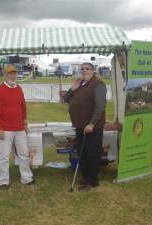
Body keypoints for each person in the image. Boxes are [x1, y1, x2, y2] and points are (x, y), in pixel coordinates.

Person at [0, 64, 35, 190]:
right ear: (5, 75)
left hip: (20, 129)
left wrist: (25, 123)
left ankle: (26, 178)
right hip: (5, 129)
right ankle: (3, 181)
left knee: (23, 155)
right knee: (4, 157)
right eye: (10, 73)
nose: (12, 75)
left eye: (14, 73)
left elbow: (23, 107)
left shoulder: (19, 89)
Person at [64, 62, 107, 191]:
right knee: (82, 153)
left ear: (93, 71)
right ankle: (86, 176)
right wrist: (73, 88)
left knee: (92, 153)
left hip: (92, 126)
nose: (84, 71)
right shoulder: (80, 83)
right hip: (80, 126)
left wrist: (92, 123)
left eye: (87, 69)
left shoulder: (98, 84)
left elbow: (100, 107)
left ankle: (92, 180)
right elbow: (66, 99)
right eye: (82, 69)